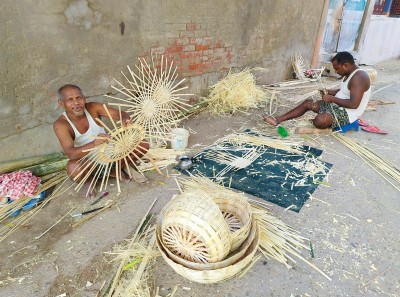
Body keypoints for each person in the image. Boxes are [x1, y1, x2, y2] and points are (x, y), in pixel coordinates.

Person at [53, 84, 149, 189]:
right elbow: (71, 154)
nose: (76, 103)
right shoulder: (61, 124)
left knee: (142, 144)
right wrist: (93, 144)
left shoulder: (93, 107)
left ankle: (114, 169)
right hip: (89, 160)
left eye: (79, 98)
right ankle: (91, 180)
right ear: (61, 103)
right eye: (70, 100)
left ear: (84, 98)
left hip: (112, 153)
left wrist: (125, 119)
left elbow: (120, 114)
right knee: (73, 168)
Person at [262, 51, 371, 130]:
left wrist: (331, 98)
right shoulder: (349, 73)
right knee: (308, 103)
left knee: (319, 121)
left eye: (337, 68)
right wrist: (329, 92)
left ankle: (328, 119)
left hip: (348, 113)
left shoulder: (359, 77)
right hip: (337, 106)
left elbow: (353, 104)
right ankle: (277, 120)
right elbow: (345, 90)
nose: (336, 71)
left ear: (346, 65)